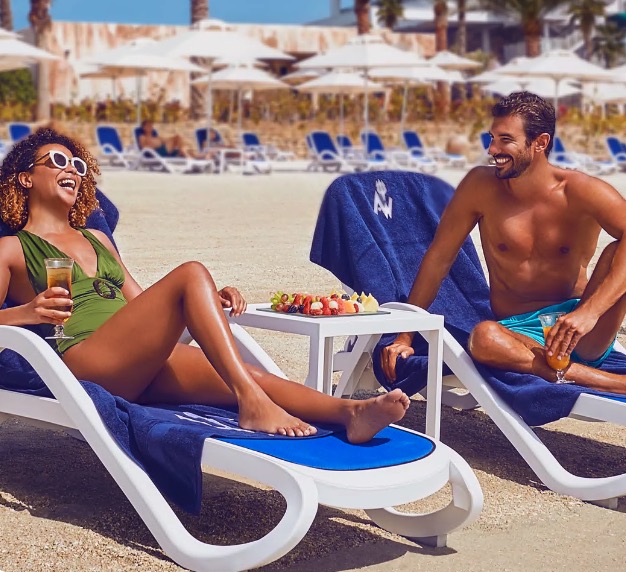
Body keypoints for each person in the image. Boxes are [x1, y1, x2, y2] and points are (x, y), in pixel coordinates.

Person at [0, 128, 410, 441]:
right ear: (25, 179)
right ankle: (252, 405)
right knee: (192, 272)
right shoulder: (12, 249)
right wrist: (27, 312)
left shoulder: (97, 238)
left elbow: (140, 305)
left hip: (134, 357)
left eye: (78, 165)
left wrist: (204, 302)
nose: (72, 169)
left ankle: (349, 414)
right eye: (57, 160)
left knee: (248, 375)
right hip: (85, 362)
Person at [380, 91, 626, 395]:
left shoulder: (581, 191)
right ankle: (611, 383)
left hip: (580, 332)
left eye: (505, 139)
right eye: (491, 138)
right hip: (518, 335)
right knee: (483, 337)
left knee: (619, 250)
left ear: (540, 143)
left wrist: (588, 314)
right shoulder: (480, 187)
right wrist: (405, 334)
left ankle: (570, 368)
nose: (492, 149)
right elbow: (439, 258)